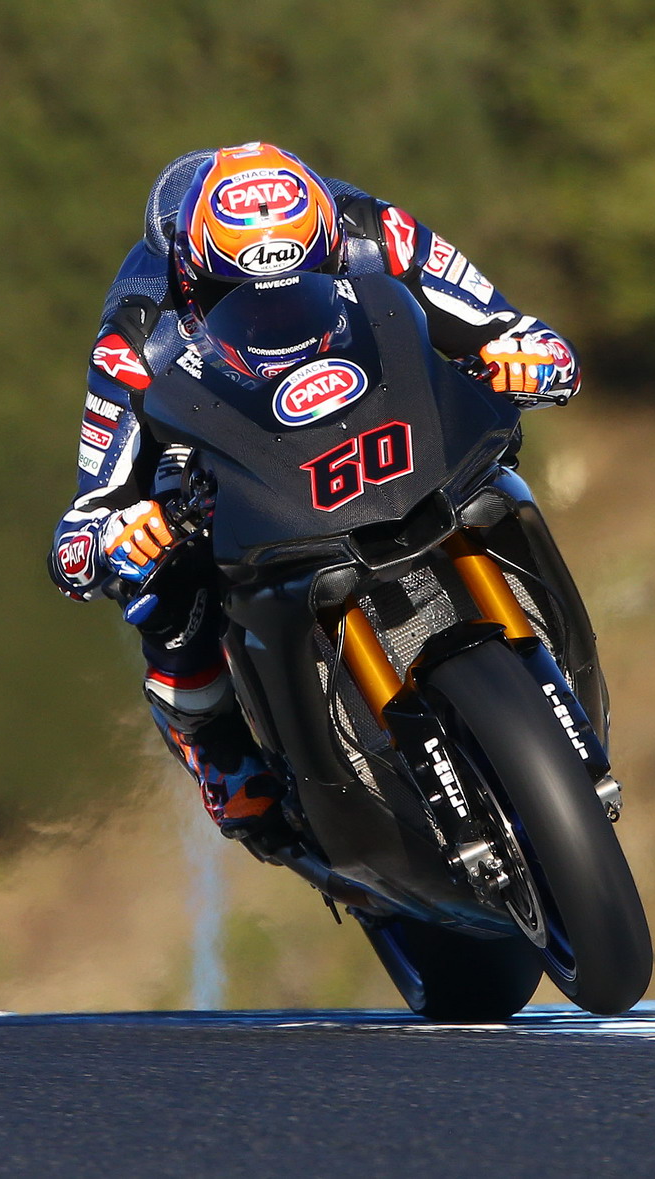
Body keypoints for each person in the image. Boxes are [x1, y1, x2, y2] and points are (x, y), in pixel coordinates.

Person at [47, 142, 580, 842]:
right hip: (228, 445)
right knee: (160, 585)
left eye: (306, 281)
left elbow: (512, 329)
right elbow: (86, 520)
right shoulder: (137, 329)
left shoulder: (376, 231)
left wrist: (527, 358)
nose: (275, 316)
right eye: (236, 297)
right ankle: (220, 754)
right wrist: (115, 537)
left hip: (375, 414)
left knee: (495, 456)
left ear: (330, 247)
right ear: (192, 277)